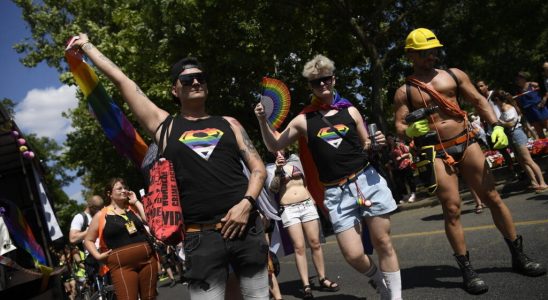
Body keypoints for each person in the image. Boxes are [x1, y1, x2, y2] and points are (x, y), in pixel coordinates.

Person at [70, 34, 269, 300]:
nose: (195, 82)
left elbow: (258, 169)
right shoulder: (164, 127)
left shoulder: (230, 124)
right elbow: (122, 81)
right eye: (186, 80)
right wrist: (86, 46)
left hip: (247, 228)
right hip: (201, 238)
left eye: (201, 78)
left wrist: (246, 203)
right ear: (175, 90)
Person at [394, 28, 546, 295]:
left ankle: (519, 256)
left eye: (433, 50)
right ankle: (467, 269)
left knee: (493, 198)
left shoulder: (454, 74)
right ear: (411, 55)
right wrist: (409, 131)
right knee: (452, 209)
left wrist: (497, 125)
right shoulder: (404, 90)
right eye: (424, 52)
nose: (431, 55)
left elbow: (477, 100)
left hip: (467, 143)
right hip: (435, 152)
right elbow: (398, 124)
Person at [255, 54, 402, 300]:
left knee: (383, 242)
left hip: (367, 181)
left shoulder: (351, 111)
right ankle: (377, 279)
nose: (322, 85)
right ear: (310, 86)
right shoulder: (304, 119)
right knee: (353, 254)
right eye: (316, 82)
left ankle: (394, 297)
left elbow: (365, 143)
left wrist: (374, 143)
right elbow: (275, 144)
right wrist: (262, 121)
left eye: (326, 79)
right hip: (336, 192)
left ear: (333, 79)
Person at [267, 149, 339, 299]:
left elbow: (305, 183)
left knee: (315, 243)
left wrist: (312, 200)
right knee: (299, 247)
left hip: (307, 205)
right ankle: (306, 285)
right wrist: (279, 170)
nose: (279, 150)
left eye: (281, 145)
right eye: (275, 147)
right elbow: (273, 189)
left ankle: (322, 278)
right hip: (289, 209)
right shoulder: (270, 168)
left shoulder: (296, 160)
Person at [84, 178, 157, 300]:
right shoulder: (102, 215)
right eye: (119, 188)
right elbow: (88, 240)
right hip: (121, 266)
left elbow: (149, 221)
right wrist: (97, 255)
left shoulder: (132, 208)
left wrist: (136, 201)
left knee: (150, 297)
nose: (124, 191)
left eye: (125, 188)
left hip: (148, 260)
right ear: (109, 194)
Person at [491, 90, 548, 193]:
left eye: (495, 101)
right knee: (522, 161)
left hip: (516, 134)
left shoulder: (508, 108)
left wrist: (500, 123)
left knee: (528, 160)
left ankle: (542, 183)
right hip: (511, 135)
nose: (495, 104)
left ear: (498, 100)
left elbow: (511, 124)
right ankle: (534, 182)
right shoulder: (504, 108)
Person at [514, 71, 548, 138]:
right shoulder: (518, 91)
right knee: (539, 132)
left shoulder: (532, 84)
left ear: (523, 78)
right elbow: (519, 103)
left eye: (518, 79)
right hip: (529, 111)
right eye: (516, 80)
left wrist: (543, 100)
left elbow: (545, 90)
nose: (517, 81)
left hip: (539, 108)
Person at [387, 137, 416, 203]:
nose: (389, 141)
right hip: (397, 166)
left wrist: (401, 157)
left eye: (390, 139)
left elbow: (408, 153)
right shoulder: (389, 148)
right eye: (388, 139)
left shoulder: (400, 145)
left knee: (409, 180)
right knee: (400, 182)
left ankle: (413, 193)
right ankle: (405, 195)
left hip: (405, 164)